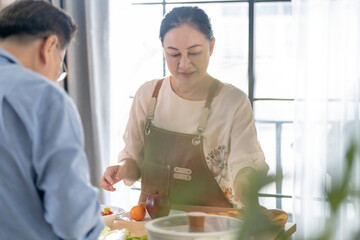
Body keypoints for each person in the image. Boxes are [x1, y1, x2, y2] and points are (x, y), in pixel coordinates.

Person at [100, 6, 268, 208]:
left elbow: (245, 163)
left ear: (211, 46)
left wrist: (246, 188)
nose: (184, 64)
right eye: (173, 54)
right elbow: (134, 162)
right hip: (153, 225)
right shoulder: (148, 96)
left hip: (213, 226)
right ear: (163, 50)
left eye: (194, 52)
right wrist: (120, 170)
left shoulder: (233, 102)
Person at [0, 1, 104, 239]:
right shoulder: (44, 96)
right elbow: (73, 220)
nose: (56, 77)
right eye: (61, 64)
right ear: (50, 46)